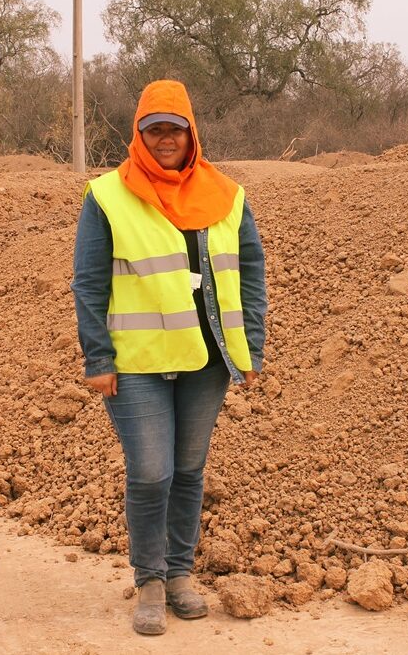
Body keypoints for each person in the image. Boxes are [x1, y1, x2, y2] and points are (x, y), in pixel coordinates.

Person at [71, 79, 267, 635]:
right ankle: (150, 579)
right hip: (136, 363)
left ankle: (180, 574)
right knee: (151, 471)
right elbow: (88, 284)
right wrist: (97, 358)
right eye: (153, 129)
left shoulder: (227, 196)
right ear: (138, 133)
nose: (164, 140)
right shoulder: (107, 196)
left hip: (208, 360)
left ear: (191, 134)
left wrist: (249, 346)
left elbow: (250, 273)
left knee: (187, 470)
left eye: (174, 130)